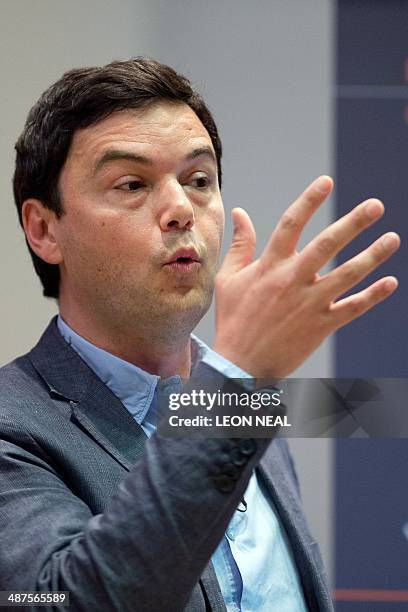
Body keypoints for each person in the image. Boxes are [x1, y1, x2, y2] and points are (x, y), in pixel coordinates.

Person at [0, 58, 399, 612]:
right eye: (132, 183)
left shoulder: (234, 394)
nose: (181, 209)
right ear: (44, 229)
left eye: (199, 180)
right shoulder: (12, 426)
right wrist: (236, 377)